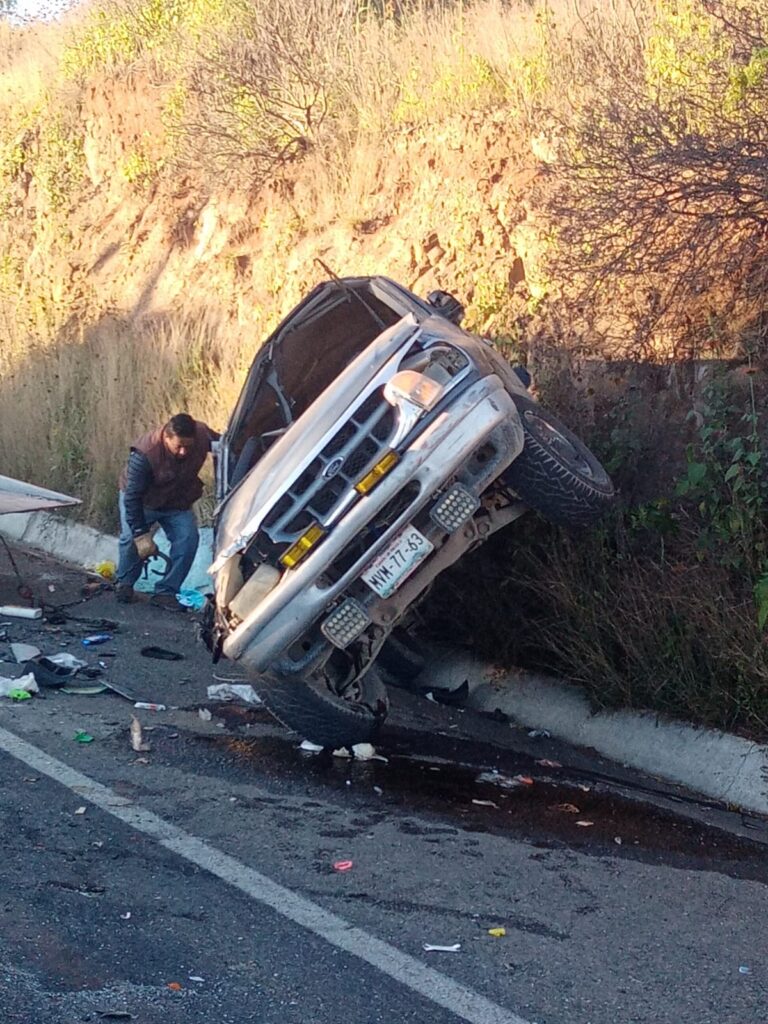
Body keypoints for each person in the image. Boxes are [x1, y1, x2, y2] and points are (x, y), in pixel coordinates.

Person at [116, 413, 219, 610]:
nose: (183, 452)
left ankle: (166, 592)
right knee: (130, 541)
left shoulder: (202, 434)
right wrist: (141, 534)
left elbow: (226, 447)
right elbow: (132, 498)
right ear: (166, 437)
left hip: (177, 502)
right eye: (178, 446)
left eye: (188, 447)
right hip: (143, 503)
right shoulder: (145, 454)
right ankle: (125, 584)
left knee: (188, 539)